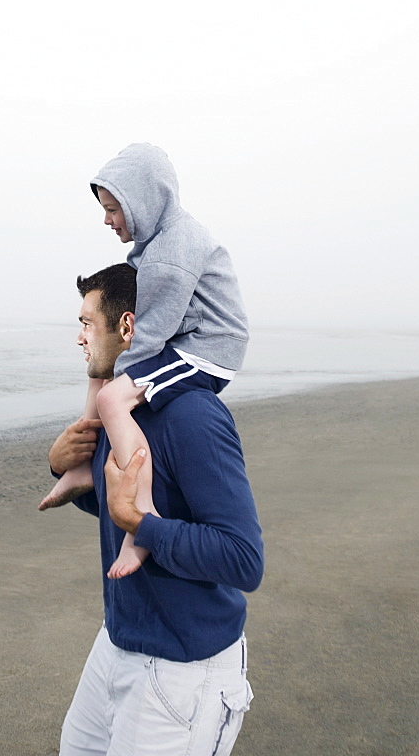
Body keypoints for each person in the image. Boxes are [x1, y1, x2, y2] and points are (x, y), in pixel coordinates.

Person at [48, 263, 263, 756]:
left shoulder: (192, 416)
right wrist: (60, 467)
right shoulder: (120, 409)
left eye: (87, 324)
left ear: (126, 327)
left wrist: (139, 525)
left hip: (183, 669)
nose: (79, 338)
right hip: (118, 641)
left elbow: (243, 559)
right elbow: (115, 504)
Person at [39, 143, 249, 580]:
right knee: (104, 376)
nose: (106, 219)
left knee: (115, 396)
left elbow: (152, 331)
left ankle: (143, 515)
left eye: (114, 208)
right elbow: (104, 499)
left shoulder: (172, 254)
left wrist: (139, 524)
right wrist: (64, 462)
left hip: (209, 347)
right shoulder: (153, 247)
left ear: (145, 202)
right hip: (186, 336)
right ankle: (80, 468)